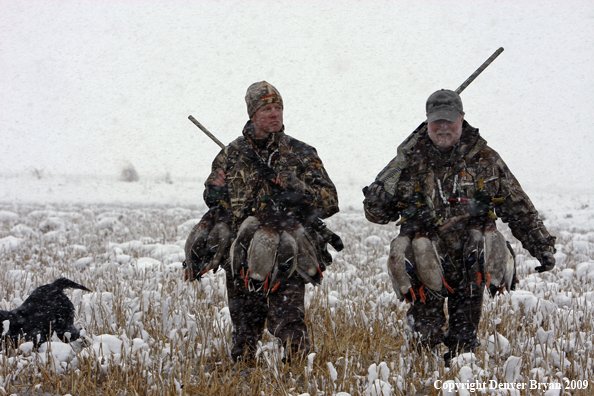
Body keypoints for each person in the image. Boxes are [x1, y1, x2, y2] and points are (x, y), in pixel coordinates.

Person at [363, 89, 556, 364]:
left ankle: (460, 379)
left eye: (449, 120)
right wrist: (377, 197)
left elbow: (518, 206)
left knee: (463, 344)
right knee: (423, 339)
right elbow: (377, 215)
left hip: (471, 260)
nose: (443, 126)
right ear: (427, 121)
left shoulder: (485, 159)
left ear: (462, 119)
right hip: (424, 258)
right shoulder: (406, 161)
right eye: (436, 120)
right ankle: (426, 379)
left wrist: (541, 246)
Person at [202, 81, 339, 362]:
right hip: (241, 250)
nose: (274, 114)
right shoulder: (230, 154)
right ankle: (243, 375)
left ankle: (298, 374)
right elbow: (214, 201)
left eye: (278, 107)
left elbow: (330, 201)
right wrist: (213, 189)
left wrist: (299, 188)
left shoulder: (302, 153)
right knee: (244, 326)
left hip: (287, 247)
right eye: (266, 109)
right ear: (252, 115)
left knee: (289, 321)